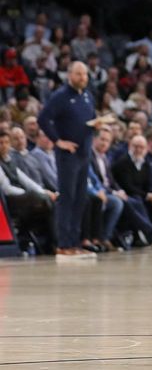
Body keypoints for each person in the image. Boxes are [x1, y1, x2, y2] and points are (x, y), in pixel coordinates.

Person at [37, 61, 101, 259]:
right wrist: (58, 141)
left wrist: (97, 124)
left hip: (84, 154)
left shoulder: (88, 95)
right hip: (68, 156)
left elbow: (88, 119)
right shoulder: (61, 96)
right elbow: (43, 118)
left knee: (81, 199)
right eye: (79, 74)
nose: (83, 78)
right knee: (67, 199)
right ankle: (63, 244)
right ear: (69, 75)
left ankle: (74, 242)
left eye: (85, 75)